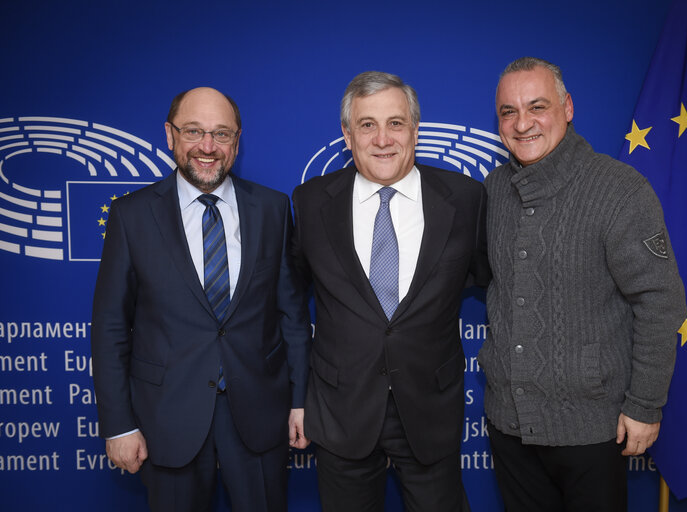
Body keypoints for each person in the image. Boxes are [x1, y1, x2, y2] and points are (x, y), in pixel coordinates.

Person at [480, 57, 686, 511]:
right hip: (509, 427)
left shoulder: (619, 190)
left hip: (592, 429)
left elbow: (659, 301)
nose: (522, 123)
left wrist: (645, 405)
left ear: (567, 107)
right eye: (508, 112)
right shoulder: (493, 191)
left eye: (537, 106)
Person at [91, 87, 311, 512]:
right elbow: (111, 327)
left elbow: (293, 316)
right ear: (170, 135)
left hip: (260, 416)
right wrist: (118, 425)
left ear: (237, 140)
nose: (207, 147)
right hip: (167, 419)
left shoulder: (272, 209)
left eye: (221, 134)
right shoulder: (131, 215)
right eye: (194, 131)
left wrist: (300, 400)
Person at [291, 71, 488, 511]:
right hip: (341, 410)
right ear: (347, 134)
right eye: (367, 125)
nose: (383, 139)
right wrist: (295, 396)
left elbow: (496, 282)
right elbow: (289, 304)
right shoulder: (309, 202)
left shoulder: (465, 198)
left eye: (396, 123)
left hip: (430, 410)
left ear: (415, 131)